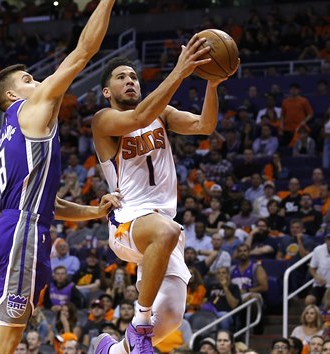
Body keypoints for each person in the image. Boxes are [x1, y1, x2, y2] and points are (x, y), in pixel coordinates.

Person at [89, 32, 238, 354]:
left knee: (170, 316)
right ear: (106, 91)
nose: (130, 81)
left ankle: (112, 350)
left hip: (161, 227)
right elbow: (138, 117)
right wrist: (180, 71)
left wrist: (212, 83)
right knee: (166, 231)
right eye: (120, 77)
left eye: (133, 76)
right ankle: (140, 323)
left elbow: (205, 126)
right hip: (128, 224)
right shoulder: (104, 120)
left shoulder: (161, 113)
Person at [0, 1, 118, 353]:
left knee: (7, 335)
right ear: (13, 95)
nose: (37, 82)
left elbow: (48, 202)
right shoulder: (28, 110)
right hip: (21, 231)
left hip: (20, 225)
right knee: (6, 337)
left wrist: (91, 213)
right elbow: (84, 51)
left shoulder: (14, 130)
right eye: (28, 80)